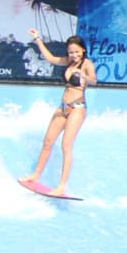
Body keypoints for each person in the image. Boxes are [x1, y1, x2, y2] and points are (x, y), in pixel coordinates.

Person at [23, 31, 96, 196]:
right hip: (63, 107)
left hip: (77, 108)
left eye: (76, 52)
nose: (74, 55)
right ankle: (35, 176)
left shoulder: (87, 64)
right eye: (71, 52)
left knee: (66, 146)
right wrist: (38, 39)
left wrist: (84, 76)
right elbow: (50, 58)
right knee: (48, 141)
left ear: (83, 50)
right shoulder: (68, 61)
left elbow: (94, 80)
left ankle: (62, 186)